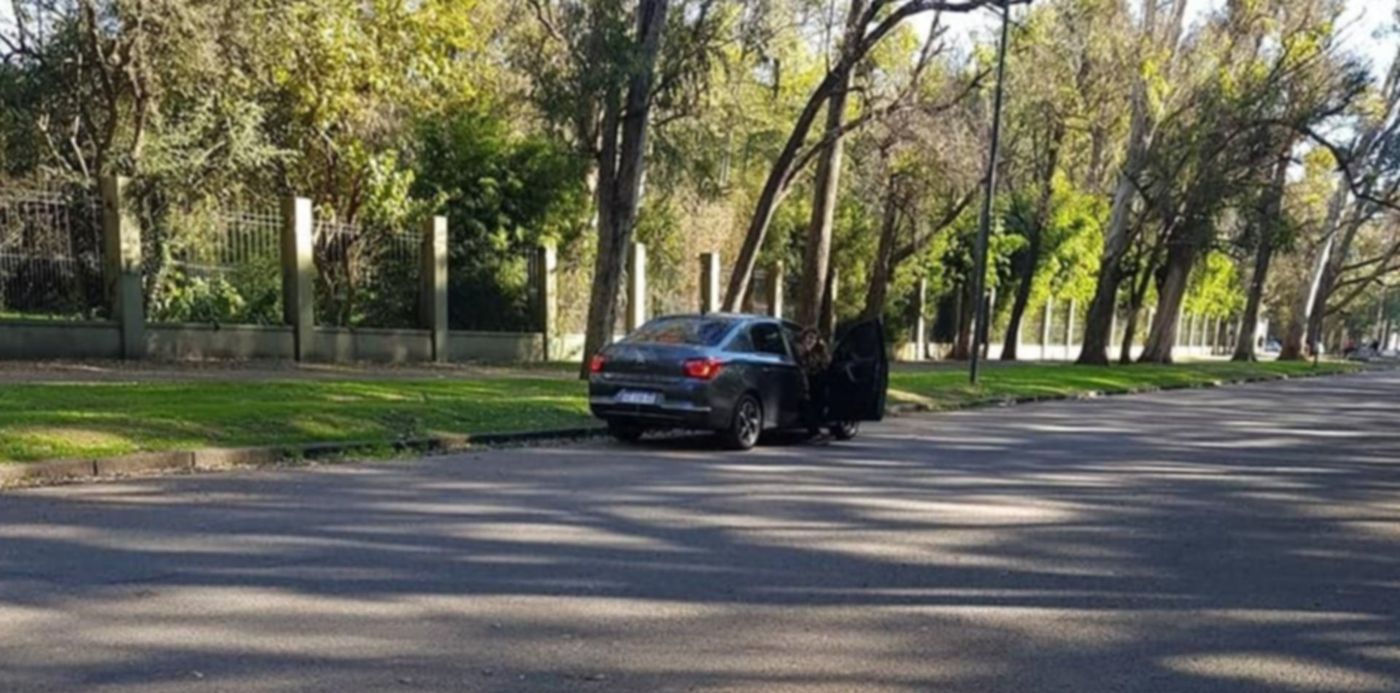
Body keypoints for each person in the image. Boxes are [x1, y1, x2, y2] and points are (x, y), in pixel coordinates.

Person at [794, 327, 831, 438]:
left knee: (819, 401)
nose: (811, 340)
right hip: (799, 382)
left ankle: (818, 428)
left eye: (814, 339)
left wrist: (823, 348)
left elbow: (826, 363)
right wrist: (806, 351)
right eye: (809, 337)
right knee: (807, 404)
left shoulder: (817, 352)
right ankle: (814, 432)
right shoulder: (797, 348)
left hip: (814, 383)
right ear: (804, 337)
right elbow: (801, 364)